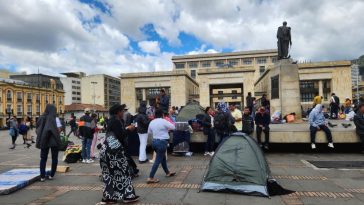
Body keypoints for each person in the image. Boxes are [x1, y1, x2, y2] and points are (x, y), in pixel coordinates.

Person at [97, 103, 139, 204]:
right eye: (122, 110)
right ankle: (127, 196)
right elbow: (120, 136)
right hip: (114, 153)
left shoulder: (112, 121)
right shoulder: (116, 121)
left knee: (110, 175)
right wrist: (128, 129)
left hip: (107, 151)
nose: (123, 112)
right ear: (118, 112)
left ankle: (109, 197)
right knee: (123, 173)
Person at [147, 109, 176, 184]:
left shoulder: (152, 122)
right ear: (162, 114)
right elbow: (173, 127)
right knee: (157, 160)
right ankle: (151, 177)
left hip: (154, 142)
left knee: (162, 158)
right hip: (162, 142)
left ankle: (167, 172)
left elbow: (149, 132)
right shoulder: (164, 121)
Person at [36, 104, 62, 182]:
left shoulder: (40, 118)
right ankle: (51, 175)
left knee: (43, 158)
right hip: (54, 141)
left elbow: (37, 129)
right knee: (54, 158)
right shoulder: (55, 119)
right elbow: (59, 130)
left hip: (44, 140)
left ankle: (42, 176)